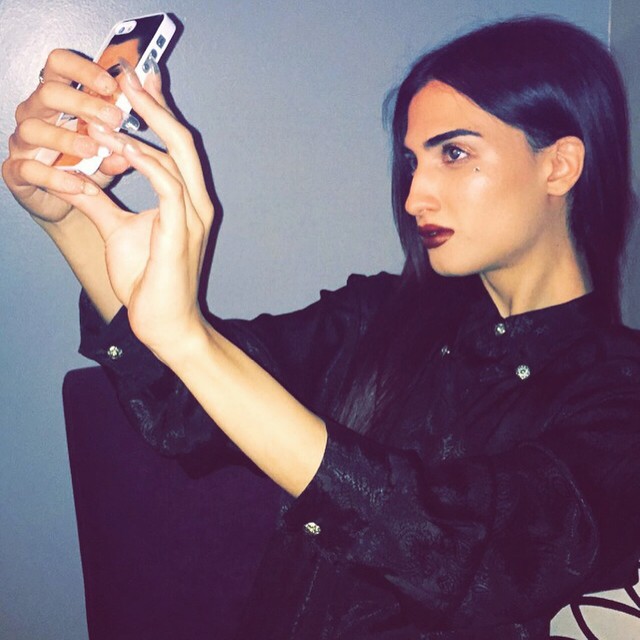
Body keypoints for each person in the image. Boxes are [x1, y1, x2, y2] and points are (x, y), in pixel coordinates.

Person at [3, 14, 640, 640]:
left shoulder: (619, 391)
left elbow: (468, 551)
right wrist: (69, 217)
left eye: (454, 152)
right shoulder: (379, 315)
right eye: (412, 161)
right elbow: (187, 410)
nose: (414, 196)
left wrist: (190, 342)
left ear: (559, 166)